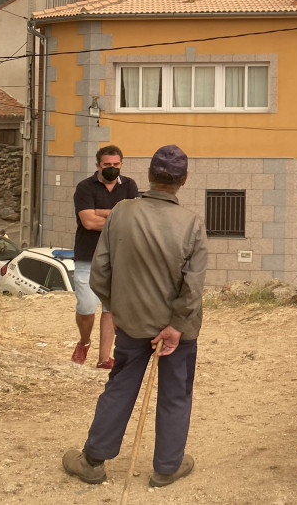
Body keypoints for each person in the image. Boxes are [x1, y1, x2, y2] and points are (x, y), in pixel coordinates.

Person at [63, 144, 207, 489]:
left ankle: (94, 460)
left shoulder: (123, 212)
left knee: (120, 387)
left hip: (131, 325)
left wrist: (123, 310)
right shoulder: (192, 224)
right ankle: (167, 467)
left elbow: (99, 272)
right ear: (184, 179)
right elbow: (193, 287)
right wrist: (174, 326)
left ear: (148, 176)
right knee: (175, 394)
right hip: (179, 332)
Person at [72, 145, 139, 369]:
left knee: (110, 309)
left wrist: (101, 211)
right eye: (107, 165)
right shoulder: (84, 187)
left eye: (116, 165)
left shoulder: (129, 186)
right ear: (98, 165)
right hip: (87, 255)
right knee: (86, 306)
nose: (112, 168)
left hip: (118, 256)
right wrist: (117, 216)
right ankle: (84, 342)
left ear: (122, 164)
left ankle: (104, 359)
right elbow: (88, 222)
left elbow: (133, 219)